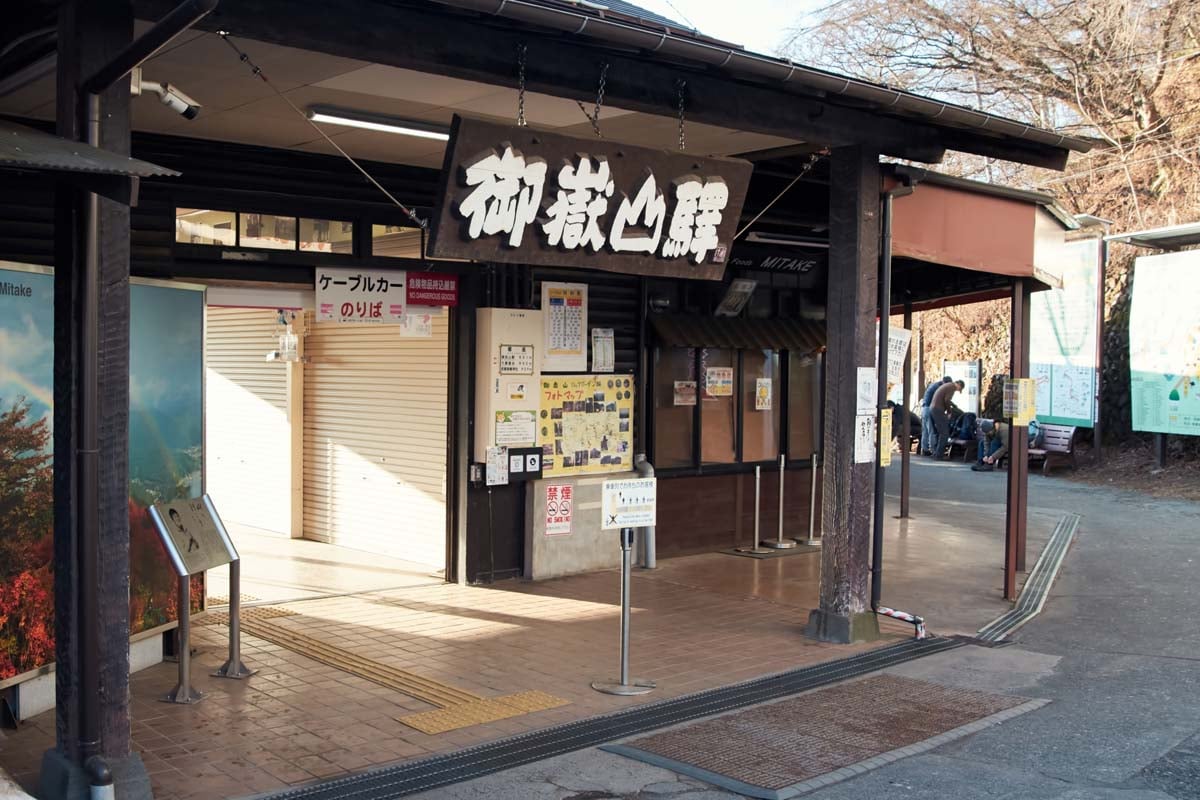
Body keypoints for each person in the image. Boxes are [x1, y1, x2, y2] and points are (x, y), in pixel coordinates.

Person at [929, 379, 964, 459]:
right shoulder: (952, 387)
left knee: (938, 432)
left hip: (932, 408)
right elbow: (947, 400)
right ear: (959, 385)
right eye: (959, 389)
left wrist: (954, 406)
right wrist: (949, 412)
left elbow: (946, 399)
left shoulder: (947, 385)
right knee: (944, 433)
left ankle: (936, 452)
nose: (958, 391)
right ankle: (939, 455)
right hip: (938, 409)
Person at [919, 376, 952, 455]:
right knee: (932, 431)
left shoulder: (933, 385)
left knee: (925, 431)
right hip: (929, 409)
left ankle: (924, 449)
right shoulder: (938, 388)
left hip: (924, 408)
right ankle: (933, 450)